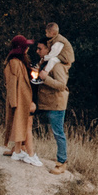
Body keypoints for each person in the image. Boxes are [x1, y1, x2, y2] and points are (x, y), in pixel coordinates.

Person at [33, 19, 74, 174]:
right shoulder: (44, 62)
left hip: (56, 103)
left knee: (58, 132)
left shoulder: (57, 65)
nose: (38, 51)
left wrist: (45, 78)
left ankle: (61, 163)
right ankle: (23, 150)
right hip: (46, 102)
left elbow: (62, 85)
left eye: (40, 49)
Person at [1, 33, 40, 165]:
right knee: (22, 125)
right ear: (21, 48)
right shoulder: (14, 63)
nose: (28, 48)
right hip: (19, 100)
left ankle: (17, 151)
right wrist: (14, 103)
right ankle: (29, 154)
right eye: (25, 46)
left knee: (20, 125)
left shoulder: (19, 62)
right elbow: (12, 85)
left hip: (22, 99)